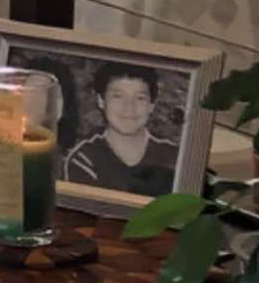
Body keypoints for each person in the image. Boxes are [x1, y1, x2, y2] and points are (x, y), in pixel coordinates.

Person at [62, 65, 175, 198]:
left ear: (151, 105)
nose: (129, 108)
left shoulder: (174, 156)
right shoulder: (84, 158)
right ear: (101, 101)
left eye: (140, 98)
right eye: (118, 96)